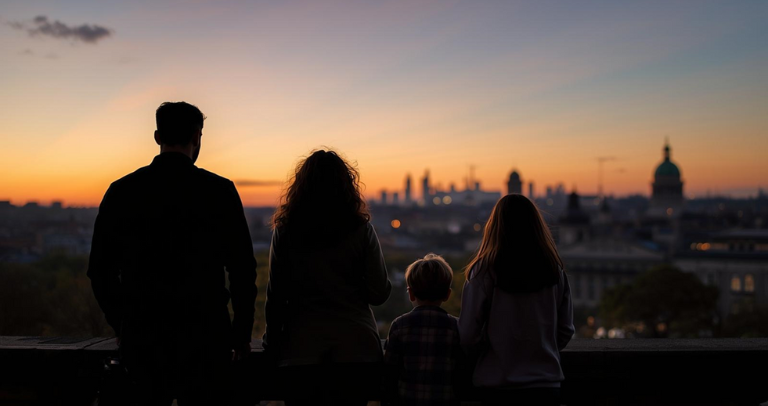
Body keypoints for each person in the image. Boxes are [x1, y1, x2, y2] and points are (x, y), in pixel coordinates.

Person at [87, 101, 257, 405]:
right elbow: (242, 270)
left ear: (156, 136)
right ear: (196, 137)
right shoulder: (219, 191)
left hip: (144, 336)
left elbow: (100, 271)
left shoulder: (122, 191)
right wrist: (241, 334)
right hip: (206, 335)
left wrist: (122, 323)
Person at [263, 149, 391, 405]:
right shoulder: (361, 230)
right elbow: (378, 294)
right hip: (356, 350)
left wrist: (272, 344)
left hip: (300, 350)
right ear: (347, 185)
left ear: (300, 186)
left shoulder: (286, 232)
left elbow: (276, 296)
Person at [458, 194, 574, 406]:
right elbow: (565, 330)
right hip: (545, 386)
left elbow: (467, 335)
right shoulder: (554, 271)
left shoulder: (483, 271)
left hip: (496, 385)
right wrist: (541, 347)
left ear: (495, 227)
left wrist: (493, 349)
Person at [382, 253, 464, 406]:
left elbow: (389, 373)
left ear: (411, 294)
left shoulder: (399, 326)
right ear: (447, 295)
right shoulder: (456, 327)